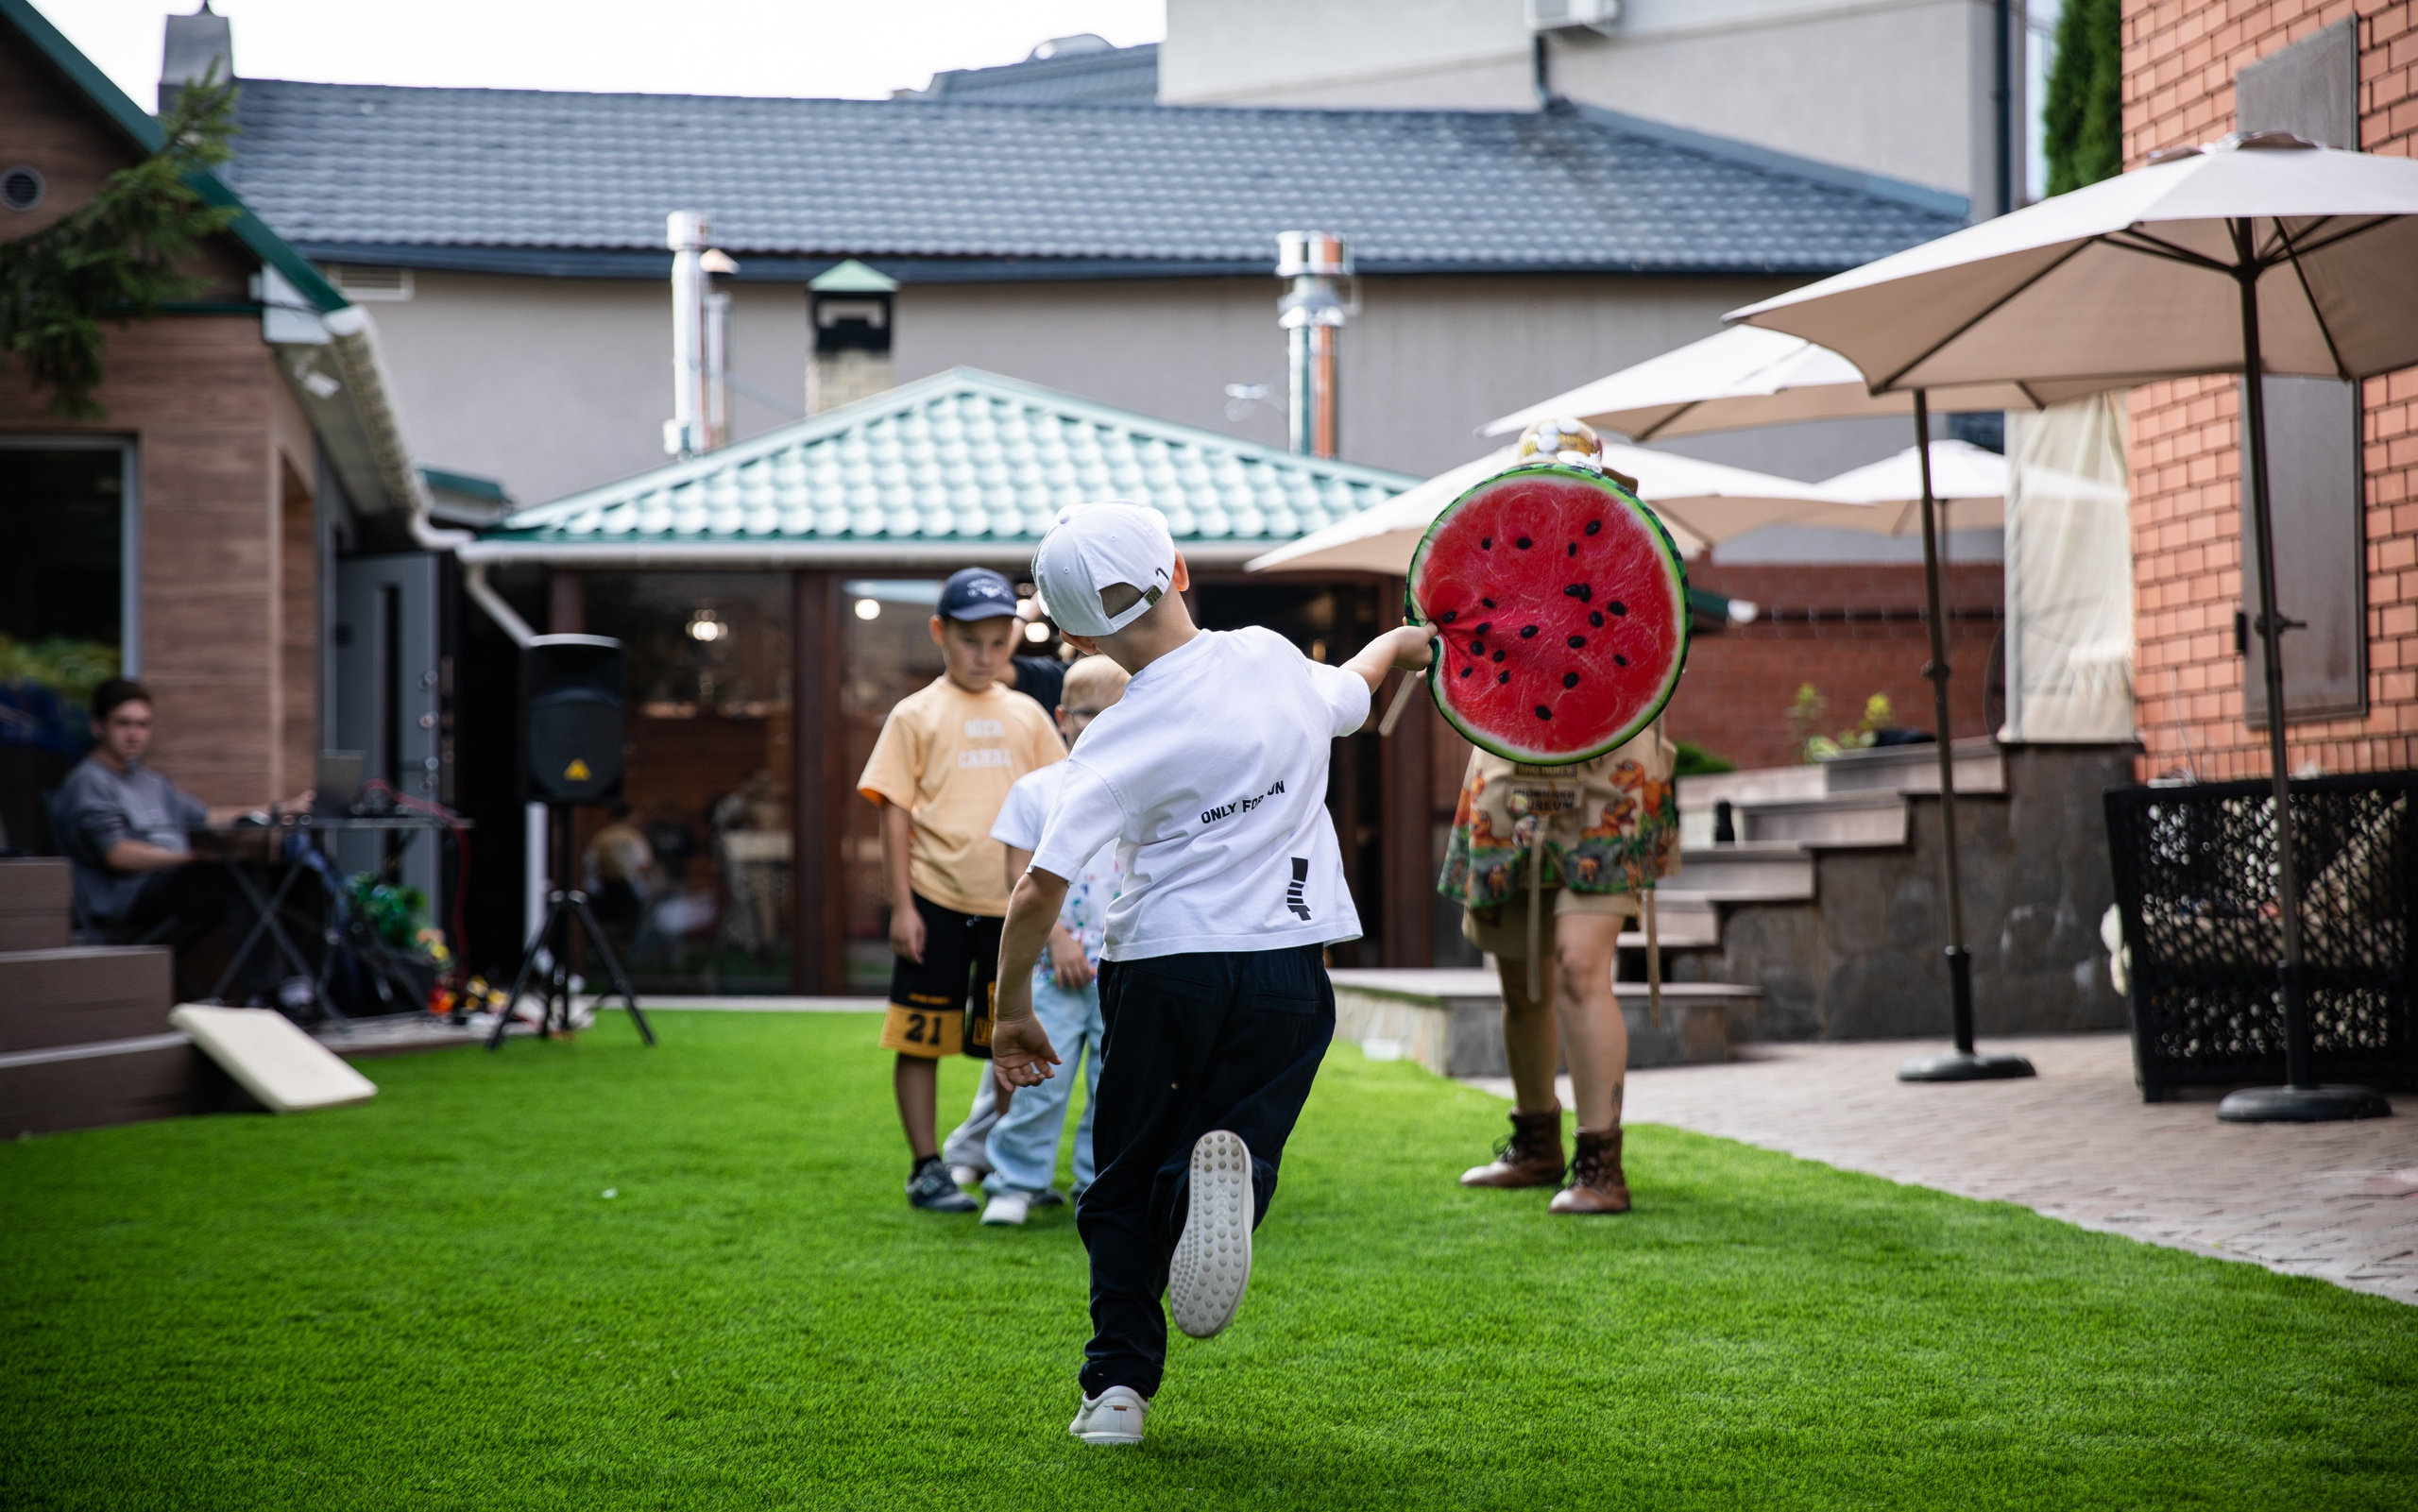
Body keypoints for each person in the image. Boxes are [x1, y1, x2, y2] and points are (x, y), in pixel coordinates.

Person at [989, 500, 1435, 1446]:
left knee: (1119, 1177)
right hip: (1289, 964)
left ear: (1073, 632)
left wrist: (1010, 1011)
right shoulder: (1273, 657)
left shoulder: (1114, 734)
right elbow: (1349, 697)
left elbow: (1037, 888)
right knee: (1239, 1136)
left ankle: (1116, 1388)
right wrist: (1396, 643)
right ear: (1180, 570)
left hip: (1164, 964)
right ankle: (1216, 1189)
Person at [858, 567, 1064, 1212]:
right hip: (935, 903)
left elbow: (1059, 805)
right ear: (939, 633)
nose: (985, 654)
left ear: (1013, 638)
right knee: (921, 1038)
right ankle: (926, 1166)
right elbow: (894, 810)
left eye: (999, 641)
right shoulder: (914, 713)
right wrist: (903, 906)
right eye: (970, 639)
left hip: (1011, 912)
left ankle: (1006, 1165)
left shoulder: (1028, 713)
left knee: (1007, 1040)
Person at [1439, 728, 1677, 1215]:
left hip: (1612, 759)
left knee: (1578, 966)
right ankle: (1536, 1143)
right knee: (1519, 981)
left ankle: (1601, 1166)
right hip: (1509, 752)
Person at [977, 654, 1132, 1227]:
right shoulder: (1036, 790)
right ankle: (1014, 1181)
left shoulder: (1143, 791)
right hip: (1051, 968)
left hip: (1123, 965)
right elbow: (1020, 879)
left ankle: (1098, 1185)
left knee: (1113, 1083)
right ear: (1063, 716)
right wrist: (1058, 940)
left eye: (1118, 715)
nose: (1100, 727)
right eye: (1090, 715)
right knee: (1041, 1079)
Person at [53, 677, 311, 999]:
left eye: (143, 725)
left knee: (298, 877)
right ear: (97, 726)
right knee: (237, 879)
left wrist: (281, 809)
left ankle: (302, 991)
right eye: (124, 724)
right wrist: (190, 859)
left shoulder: (149, 781)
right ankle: (267, 995)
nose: (134, 734)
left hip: (172, 880)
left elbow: (208, 818)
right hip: (129, 895)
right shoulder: (89, 783)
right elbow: (118, 854)